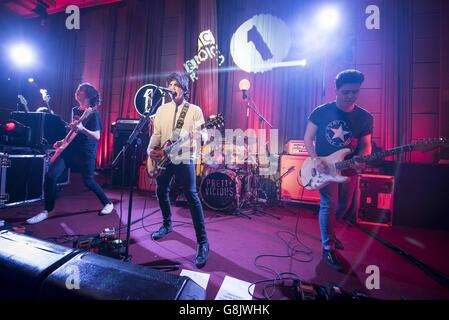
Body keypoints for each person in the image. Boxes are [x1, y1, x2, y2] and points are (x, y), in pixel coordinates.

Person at [304, 69, 373, 272]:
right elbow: (308, 138)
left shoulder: (365, 117)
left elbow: (366, 144)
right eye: (346, 92)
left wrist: (363, 157)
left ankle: (330, 235)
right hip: (324, 167)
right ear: (336, 90)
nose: (351, 95)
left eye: (355, 92)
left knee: (344, 205)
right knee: (329, 205)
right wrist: (315, 159)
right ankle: (328, 247)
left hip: (348, 168)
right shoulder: (321, 112)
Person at [27, 83, 114, 224]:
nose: (77, 92)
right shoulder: (75, 110)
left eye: (80, 91)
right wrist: (62, 141)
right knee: (51, 176)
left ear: (88, 96)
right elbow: (74, 131)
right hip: (71, 150)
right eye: (77, 90)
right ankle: (47, 210)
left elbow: (96, 136)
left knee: (89, 181)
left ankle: (108, 203)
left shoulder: (94, 114)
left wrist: (82, 129)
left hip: (86, 152)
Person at [148, 72, 209, 268]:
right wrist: (150, 150)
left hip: (184, 157)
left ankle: (202, 242)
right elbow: (157, 135)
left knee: (191, 195)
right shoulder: (161, 110)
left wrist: (200, 137)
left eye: (177, 84)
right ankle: (167, 224)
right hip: (164, 158)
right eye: (170, 84)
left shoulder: (194, 110)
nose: (173, 87)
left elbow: (205, 135)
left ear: (184, 89)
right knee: (160, 191)